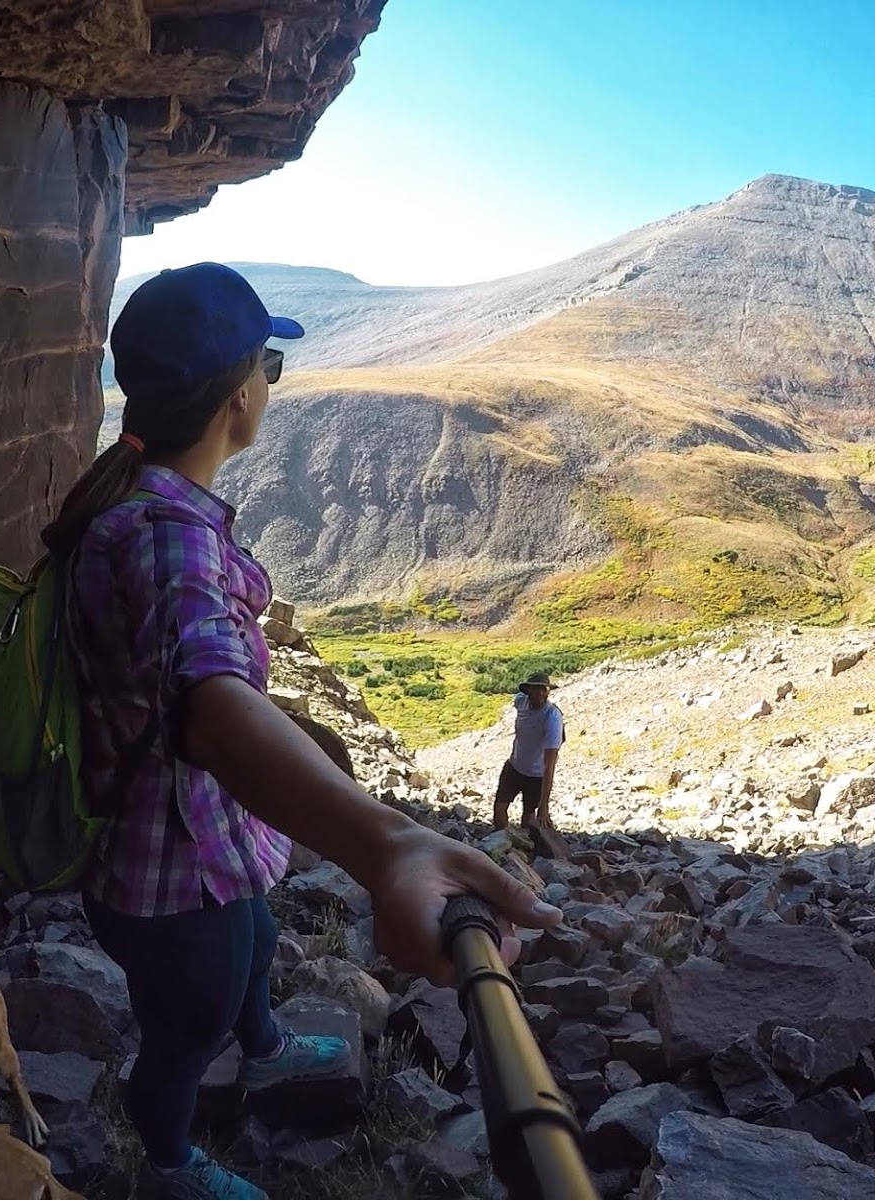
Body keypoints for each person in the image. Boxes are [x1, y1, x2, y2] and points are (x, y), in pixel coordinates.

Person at [41, 263, 562, 1200]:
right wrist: (390, 844)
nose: (272, 385)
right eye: (270, 365)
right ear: (240, 398)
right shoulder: (169, 535)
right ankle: (166, 1164)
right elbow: (206, 698)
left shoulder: (142, 507)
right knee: (186, 1027)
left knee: (255, 943)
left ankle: (268, 1049)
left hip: (210, 844)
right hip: (163, 868)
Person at [492, 672, 564, 834]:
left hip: (537, 775)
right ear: (528, 691)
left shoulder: (552, 717)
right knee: (499, 807)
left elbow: (549, 764)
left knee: (529, 819)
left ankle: (526, 850)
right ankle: (501, 843)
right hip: (514, 766)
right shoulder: (521, 701)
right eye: (535, 689)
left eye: (543, 690)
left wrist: (545, 806)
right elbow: (515, 697)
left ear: (548, 692)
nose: (539, 693)